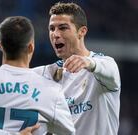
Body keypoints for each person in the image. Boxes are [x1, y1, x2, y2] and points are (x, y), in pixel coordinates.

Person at [33, 2, 121, 135]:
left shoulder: (102, 66)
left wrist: (89, 63)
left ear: (82, 31)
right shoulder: (47, 74)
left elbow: (111, 70)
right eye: (52, 29)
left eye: (63, 28)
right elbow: (13, 75)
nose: (55, 34)